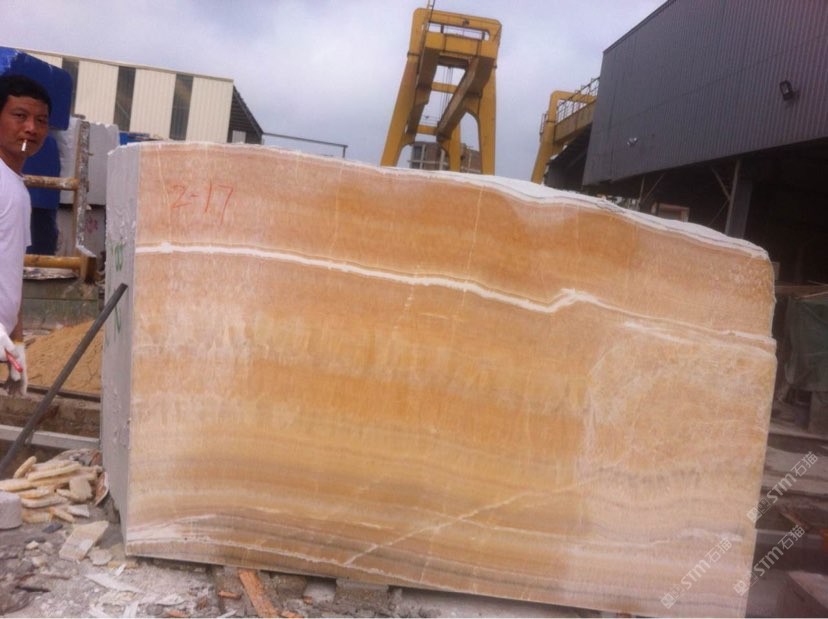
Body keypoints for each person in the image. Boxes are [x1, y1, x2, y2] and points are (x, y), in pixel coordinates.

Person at [0, 74, 51, 396]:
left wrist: (17, 342)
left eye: (41, 120)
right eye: (20, 116)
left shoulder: (16, 188)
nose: (31, 128)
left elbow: (11, 272)